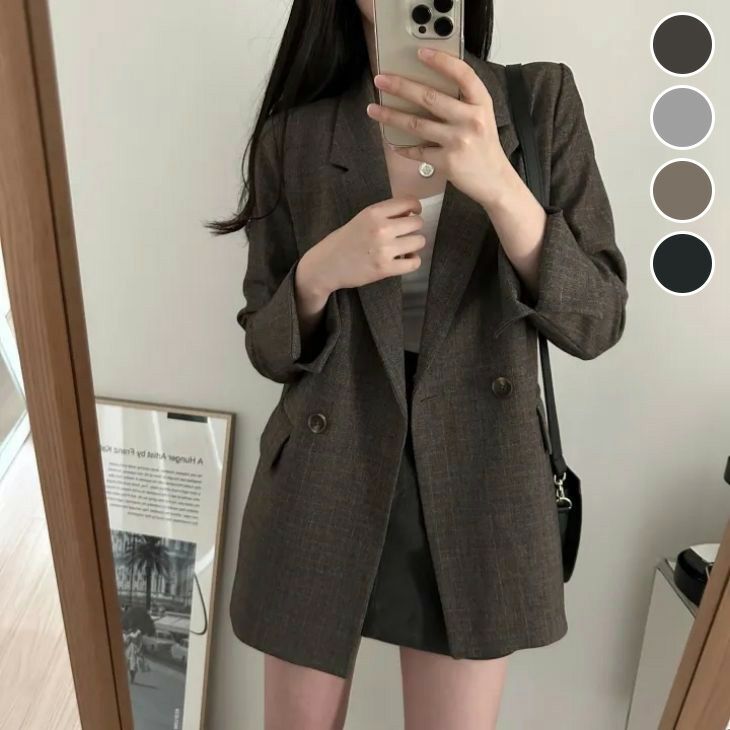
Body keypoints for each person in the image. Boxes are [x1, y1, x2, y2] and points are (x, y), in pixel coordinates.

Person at [210, 2, 628, 728]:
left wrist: (500, 186)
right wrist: (319, 274)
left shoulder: (538, 101)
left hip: (479, 478)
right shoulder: (296, 135)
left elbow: (598, 320)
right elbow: (266, 347)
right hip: (323, 473)